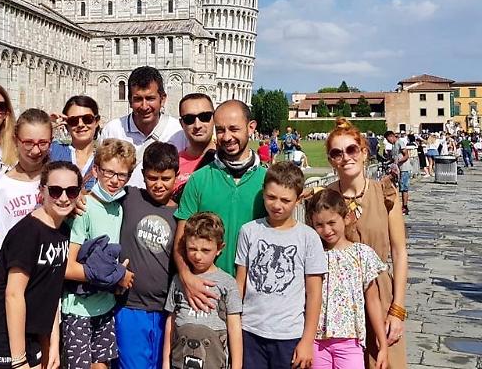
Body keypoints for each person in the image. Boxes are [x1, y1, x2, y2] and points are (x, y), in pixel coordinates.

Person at [0, 161, 80, 369]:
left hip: (29, 328)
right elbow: (13, 294)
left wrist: (54, 342)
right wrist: (19, 360)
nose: (64, 198)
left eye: (71, 191)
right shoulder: (28, 232)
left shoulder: (63, 231)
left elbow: (51, 292)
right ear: (42, 191)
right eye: (55, 191)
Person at [323, 118, 409, 368]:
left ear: (363, 153)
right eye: (337, 153)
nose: (345, 157)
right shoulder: (325, 198)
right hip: (339, 297)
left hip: (380, 291)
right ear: (331, 160)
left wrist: (397, 309)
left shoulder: (385, 193)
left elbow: (399, 252)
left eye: (351, 150)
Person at [173, 100, 266, 311]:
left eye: (234, 129)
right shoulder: (199, 179)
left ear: (251, 127)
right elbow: (181, 238)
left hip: (255, 299)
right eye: (221, 130)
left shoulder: (267, 182)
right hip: (206, 295)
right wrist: (186, 277)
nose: (226, 137)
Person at [235, 162, 327, 369]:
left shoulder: (308, 237)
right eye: (271, 197)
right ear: (263, 193)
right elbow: (240, 283)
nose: (277, 205)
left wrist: (307, 341)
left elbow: (314, 294)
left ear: (298, 199)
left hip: (289, 335)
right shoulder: (249, 231)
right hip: (250, 331)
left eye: (285, 200)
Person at [62, 139, 137, 369]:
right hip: (78, 309)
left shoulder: (118, 207)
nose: (114, 180)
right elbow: (68, 267)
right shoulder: (83, 208)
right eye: (108, 172)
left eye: (122, 175)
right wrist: (117, 275)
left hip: (105, 305)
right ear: (96, 170)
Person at [306, 188, 389, 369]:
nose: (326, 230)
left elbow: (373, 300)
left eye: (331, 222)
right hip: (316, 340)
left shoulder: (362, 254)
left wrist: (382, 344)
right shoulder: (312, 254)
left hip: (350, 341)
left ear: (346, 218)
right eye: (319, 225)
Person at [115, 142, 180, 369]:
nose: (159, 185)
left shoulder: (181, 213)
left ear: (176, 175)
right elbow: (98, 194)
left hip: (166, 310)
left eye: (165, 178)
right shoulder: (130, 197)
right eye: (152, 178)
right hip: (129, 307)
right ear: (142, 175)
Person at [164, 212, 243, 369]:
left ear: (219, 248)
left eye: (205, 250)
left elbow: (235, 328)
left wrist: (237, 366)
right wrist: (166, 362)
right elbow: (170, 323)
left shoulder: (228, 283)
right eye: (192, 249)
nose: (197, 256)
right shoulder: (178, 280)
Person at [0, 109, 53, 279]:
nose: (35, 151)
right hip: (9, 277)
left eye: (43, 143)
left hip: (47, 279)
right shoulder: (0, 187)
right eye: (28, 143)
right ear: (15, 140)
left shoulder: (59, 184)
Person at [100, 66, 187, 187]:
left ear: (162, 99)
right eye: (138, 99)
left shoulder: (178, 131)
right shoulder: (113, 130)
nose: (144, 106)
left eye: (150, 98)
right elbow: (101, 173)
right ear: (130, 101)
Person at [49, 95, 101, 190]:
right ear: (66, 125)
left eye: (87, 119)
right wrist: (48, 125)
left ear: (96, 122)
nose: (80, 124)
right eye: (73, 121)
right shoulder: (54, 150)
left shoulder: (105, 158)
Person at [175, 93, 216, 194]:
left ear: (214, 118)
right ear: (181, 123)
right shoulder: (173, 163)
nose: (197, 125)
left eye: (205, 117)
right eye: (189, 119)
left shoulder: (229, 161)